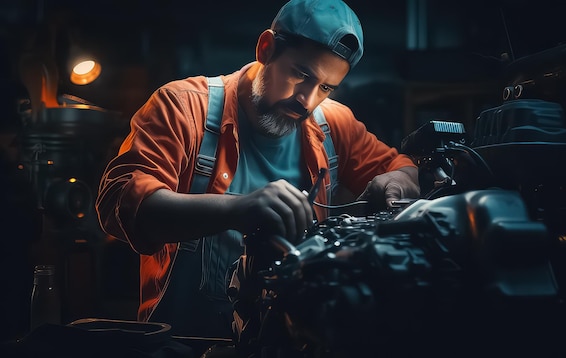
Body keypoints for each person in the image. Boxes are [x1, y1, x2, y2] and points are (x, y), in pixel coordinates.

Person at [95, 0, 420, 340]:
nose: (307, 101)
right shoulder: (182, 107)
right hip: (184, 344)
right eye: (301, 75)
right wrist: (238, 209)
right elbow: (119, 205)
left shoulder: (335, 125)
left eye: (325, 87)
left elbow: (402, 168)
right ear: (266, 48)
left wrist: (401, 178)